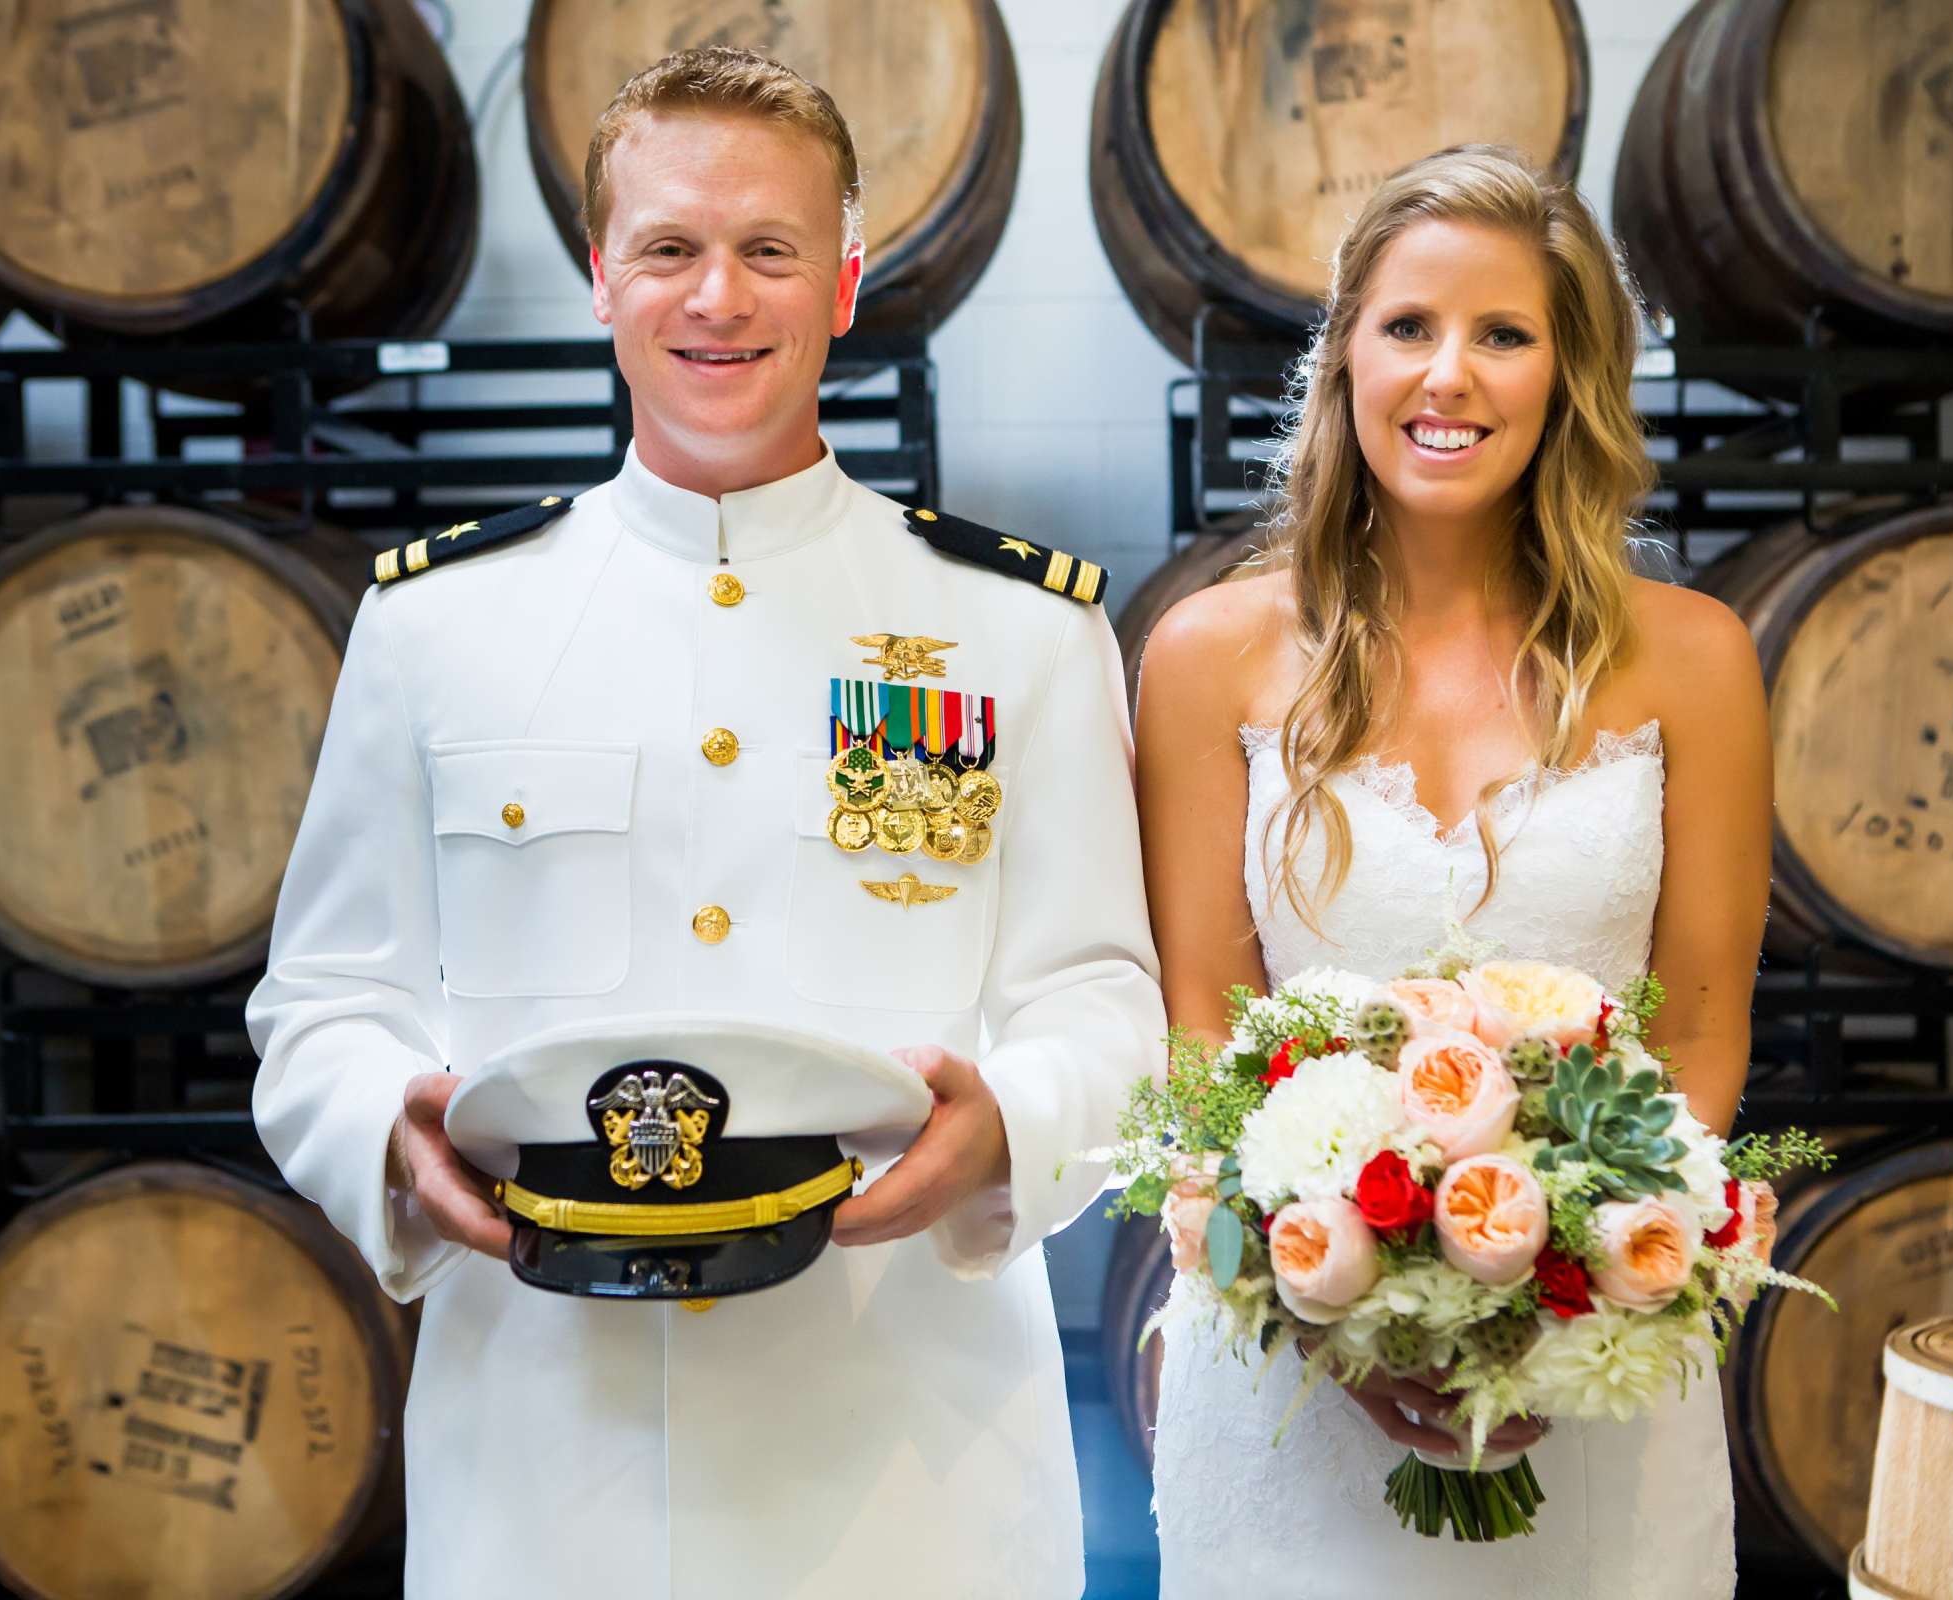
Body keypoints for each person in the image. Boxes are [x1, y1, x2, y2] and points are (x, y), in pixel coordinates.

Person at [246, 46, 1164, 1600]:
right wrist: (384, 1134)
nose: (717, 296)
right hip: (548, 1460)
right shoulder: (438, 628)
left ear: (847, 284)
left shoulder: (1015, 631)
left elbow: (1104, 1001)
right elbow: (323, 1003)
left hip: (908, 1461)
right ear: (603, 278)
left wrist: (1005, 1128)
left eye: (769, 249)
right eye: (668, 247)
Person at [1134, 146, 1771, 1597]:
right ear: (1345, 355)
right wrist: (1337, 1314)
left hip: (1599, 1364)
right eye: (1410, 326)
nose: (1450, 376)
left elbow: (1698, 1031)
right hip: (1288, 1372)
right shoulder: (1205, 658)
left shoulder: (1699, 661)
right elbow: (1202, 1032)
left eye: (1505, 334)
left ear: (1570, 375)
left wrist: (1574, 1280)